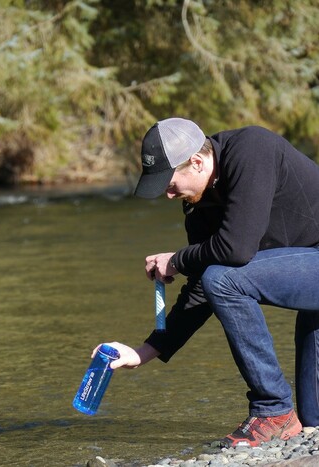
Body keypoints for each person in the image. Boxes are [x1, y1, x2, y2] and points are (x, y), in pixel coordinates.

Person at [93, 117, 319, 448]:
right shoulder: (198, 205)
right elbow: (200, 289)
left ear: (197, 162)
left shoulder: (252, 150)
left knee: (223, 277)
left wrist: (177, 259)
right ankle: (290, 423)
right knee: (315, 423)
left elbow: (236, 250)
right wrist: (144, 352)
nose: (168, 195)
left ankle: (273, 412)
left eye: (169, 184)